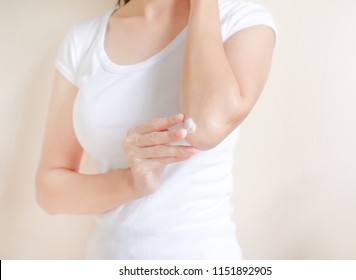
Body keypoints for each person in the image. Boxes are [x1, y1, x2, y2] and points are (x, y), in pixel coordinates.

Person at [35, 0, 276, 259]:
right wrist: (131, 182)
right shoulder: (83, 40)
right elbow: (49, 189)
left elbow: (206, 127)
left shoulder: (241, 19)